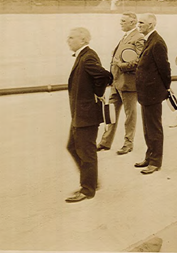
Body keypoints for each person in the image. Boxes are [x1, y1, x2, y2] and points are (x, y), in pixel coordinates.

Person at [65, 27, 112, 202]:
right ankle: (91, 180)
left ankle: (87, 189)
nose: (68, 40)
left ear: (83, 40)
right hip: (80, 114)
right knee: (72, 146)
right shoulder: (83, 56)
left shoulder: (88, 56)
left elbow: (105, 76)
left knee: (86, 151)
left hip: (86, 114)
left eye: (71, 37)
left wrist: (97, 94)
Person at [98, 12, 144, 155]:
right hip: (116, 82)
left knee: (130, 115)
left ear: (133, 22)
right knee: (110, 112)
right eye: (121, 21)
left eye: (124, 21)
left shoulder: (139, 38)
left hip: (129, 84)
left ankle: (128, 144)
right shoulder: (125, 37)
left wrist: (121, 65)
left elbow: (139, 61)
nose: (121, 23)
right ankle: (105, 142)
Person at [134, 13, 171, 175]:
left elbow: (165, 68)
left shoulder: (157, 43)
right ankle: (149, 157)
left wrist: (166, 88)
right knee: (147, 128)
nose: (138, 25)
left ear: (151, 25)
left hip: (153, 94)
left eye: (141, 23)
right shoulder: (150, 40)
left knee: (154, 128)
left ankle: (155, 162)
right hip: (146, 93)